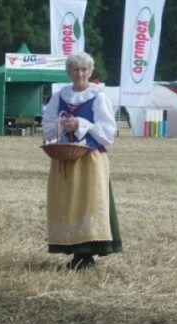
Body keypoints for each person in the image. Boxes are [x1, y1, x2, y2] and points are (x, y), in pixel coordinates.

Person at [42, 52, 123, 270]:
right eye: (75, 69)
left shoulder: (98, 97)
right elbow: (48, 126)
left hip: (90, 159)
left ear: (90, 72)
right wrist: (61, 126)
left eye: (84, 69)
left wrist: (81, 124)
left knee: (88, 203)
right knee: (68, 203)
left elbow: (108, 134)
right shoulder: (60, 96)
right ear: (69, 72)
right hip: (64, 158)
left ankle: (88, 254)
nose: (80, 73)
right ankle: (74, 251)